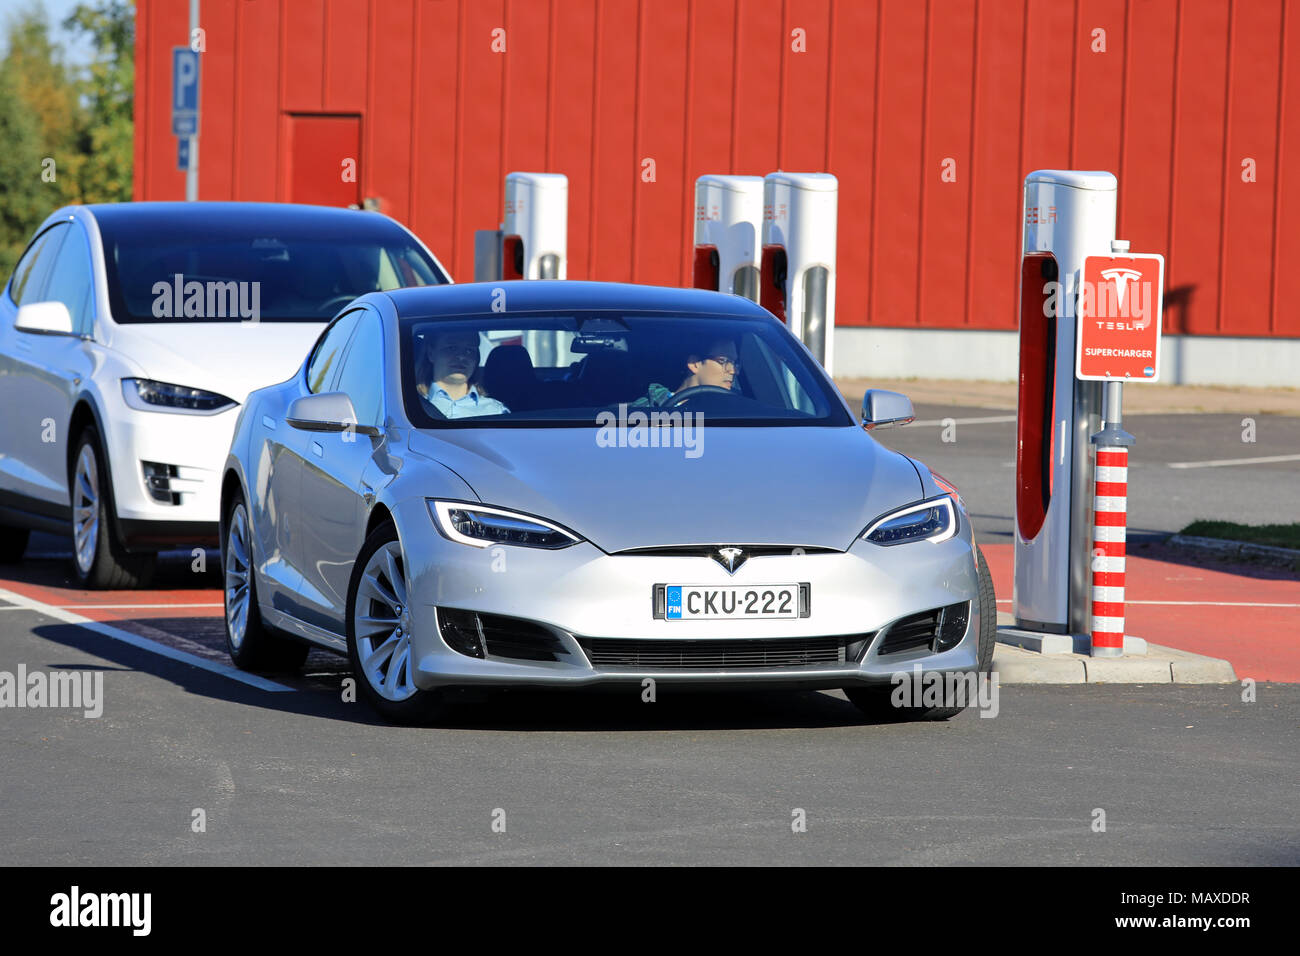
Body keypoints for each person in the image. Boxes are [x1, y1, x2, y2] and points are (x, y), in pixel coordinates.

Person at [417, 330, 509, 418]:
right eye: (452, 348)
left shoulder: (497, 411)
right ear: (431, 354)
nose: (461, 357)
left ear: (476, 359)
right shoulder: (408, 408)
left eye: (469, 350)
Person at [633, 337, 740, 407]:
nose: (733, 370)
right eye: (723, 361)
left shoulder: (740, 410)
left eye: (734, 363)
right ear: (694, 364)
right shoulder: (648, 408)